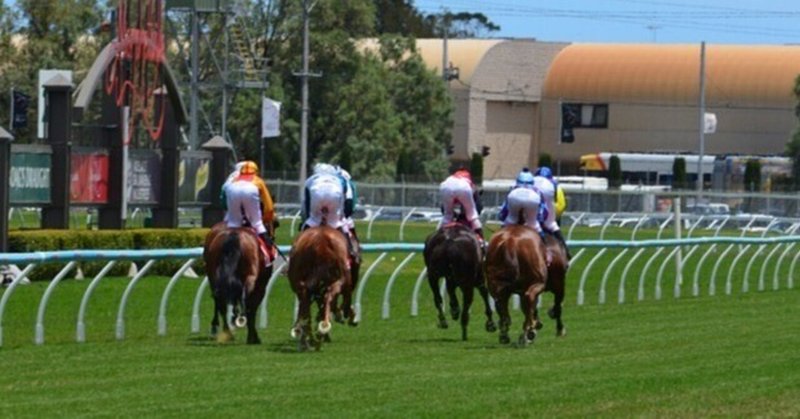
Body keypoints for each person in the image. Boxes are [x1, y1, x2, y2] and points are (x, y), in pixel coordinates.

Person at [220, 160, 276, 258]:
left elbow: (223, 202)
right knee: (257, 224)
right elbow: (269, 207)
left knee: (233, 224)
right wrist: (265, 219)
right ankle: (269, 253)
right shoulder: (258, 180)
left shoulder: (232, 180)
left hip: (233, 190)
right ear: (255, 171)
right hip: (251, 190)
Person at [301, 163, 357, 257]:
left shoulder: (310, 180)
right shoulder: (341, 180)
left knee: (311, 222)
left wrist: (307, 221)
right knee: (339, 223)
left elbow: (305, 205)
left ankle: (293, 257)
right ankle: (350, 251)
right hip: (334, 195)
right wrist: (343, 217)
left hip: (316, 195)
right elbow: (348, 202)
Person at [438, 167, 484, 244]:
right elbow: (478, 205)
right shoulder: (470, 183)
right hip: (463, 187)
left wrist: (451, 214)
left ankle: (438, 237)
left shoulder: (451, 178)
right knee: (472, 215)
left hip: (444, 185)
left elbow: (443, 208)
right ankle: (481, 241)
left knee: (447, 215)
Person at [534, 166, 570, 258]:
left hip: (531, 214)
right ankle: (566, 251)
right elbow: (561, 205)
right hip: (548, 216)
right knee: (552, 225)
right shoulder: (555, 186)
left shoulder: (531, 182)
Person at [498, 168, 544, 234]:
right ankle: (544, 241)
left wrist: (502, 218)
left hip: (515, 195)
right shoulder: (536, 190)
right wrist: (540, 219)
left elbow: (505, 207)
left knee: (509, 221)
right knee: (534, 224)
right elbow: (542, 208)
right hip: (532, 197)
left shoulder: (513, 188)